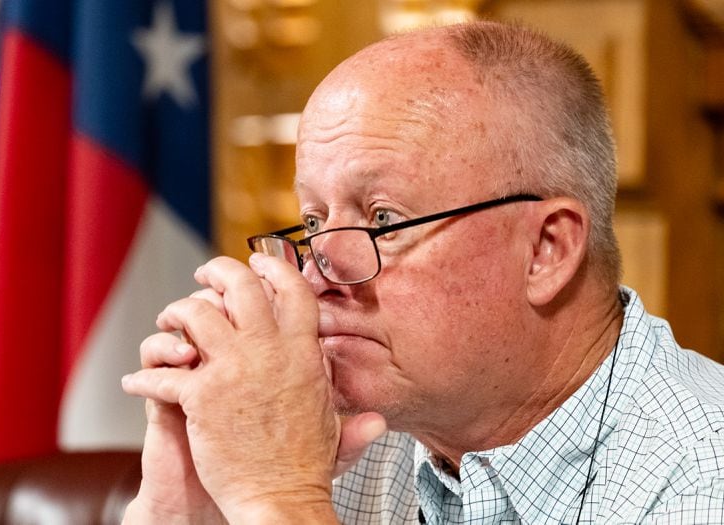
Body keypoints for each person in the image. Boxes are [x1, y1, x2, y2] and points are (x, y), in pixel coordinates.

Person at [120, 21, 724, 524]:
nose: (320, 273)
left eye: (383, 220)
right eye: (312, 222)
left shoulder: (703, 473)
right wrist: (186, 507)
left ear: (546, 249)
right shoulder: (332, 434)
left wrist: (281, 500)